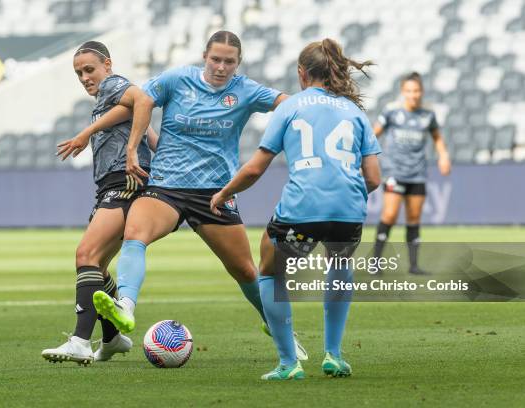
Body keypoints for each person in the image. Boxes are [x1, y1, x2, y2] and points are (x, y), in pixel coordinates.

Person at [91, 30, 308, 361]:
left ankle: (280, 329)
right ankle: (126, 306)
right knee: (135, 234)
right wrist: (104, 137)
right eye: (215, 59)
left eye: (229, 62)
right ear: (204, 57)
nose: (221, 67)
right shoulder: (177, 80)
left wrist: (319, 102)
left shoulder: (246, 90)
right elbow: (138, 102)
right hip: (166, 186)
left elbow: (287, 104)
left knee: (246, 271)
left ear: (238, 63)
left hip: (215, 193)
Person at [210, 39, 381, 380]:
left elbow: (255, 169)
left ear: (303, 74)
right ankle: (333, 354)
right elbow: (374, 178)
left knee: (271, 272)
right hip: (349, 212)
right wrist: (342, 196)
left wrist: (223, 193)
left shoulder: (290, 107)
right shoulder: (355, 111)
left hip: (303, 210)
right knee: (339, 265)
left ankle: (289, 363)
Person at [41, 41, 158, 365]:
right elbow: (144, 123)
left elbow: (141, 98)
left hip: (124, 184)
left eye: (89, 69)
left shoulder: (113, 84)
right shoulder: (110, 103)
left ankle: (80, 340)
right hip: (114, 185)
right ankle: (112, 338)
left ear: (107, 65)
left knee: (85, 254)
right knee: (97, 267)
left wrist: (88, 134)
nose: (84, 77)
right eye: (79, 73)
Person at [372, 72, 451, 275]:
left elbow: (437, 137)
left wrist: (443, 156)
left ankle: (414, 265)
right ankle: (375, 262)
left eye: (416, 91)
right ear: (402, 92)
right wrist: (366, 157)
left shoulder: (427, 115)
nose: (413, 95)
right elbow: (373, 135)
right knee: (389, 215)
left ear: (421, 92)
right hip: (394, 172)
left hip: (417, 173)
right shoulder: (391, 112)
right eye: (409, 91)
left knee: (414, 218)